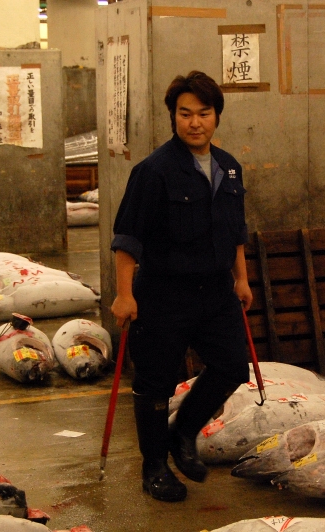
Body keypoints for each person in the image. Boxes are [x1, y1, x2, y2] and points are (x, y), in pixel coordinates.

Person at [110, 71, 252, 502]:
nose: (195, 122)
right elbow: (127, 237)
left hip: (215, 291)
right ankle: (154, 467)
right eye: (185, 114)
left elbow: (236, 231)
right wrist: (124, 292)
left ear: (216, 117)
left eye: (203, 114)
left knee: (231, 367)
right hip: (163, 293)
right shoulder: (152, 171)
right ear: (173, 117)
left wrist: (241, 278)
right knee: (155, 384)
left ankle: (182, 433)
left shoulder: (229, 168)